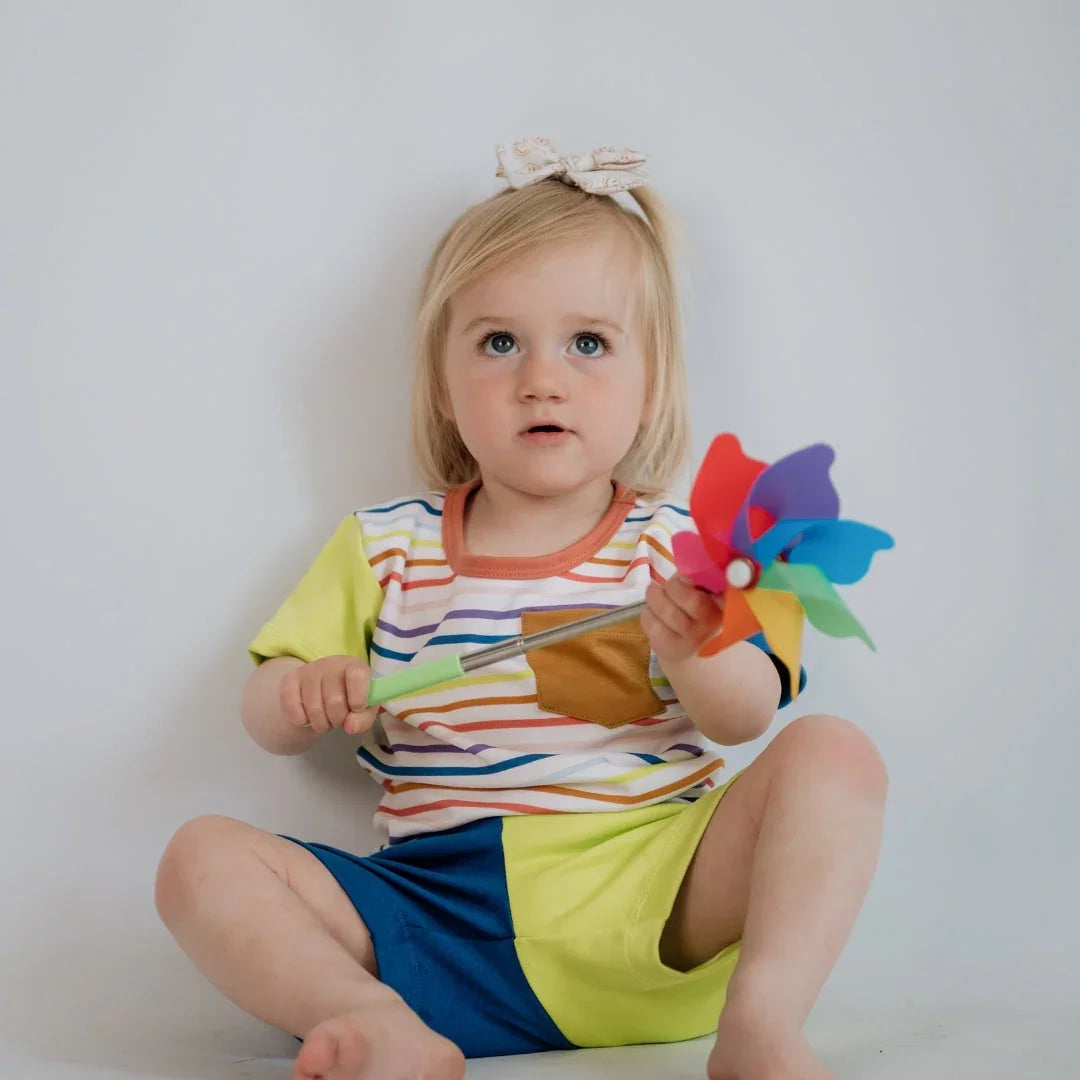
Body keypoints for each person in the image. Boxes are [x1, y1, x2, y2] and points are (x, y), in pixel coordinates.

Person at [155, 137, 888, 1080]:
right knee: (200, 857)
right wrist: (308, 690)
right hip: (439, 915)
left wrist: (703, 646)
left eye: (589, 343)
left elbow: (745, 719)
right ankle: (370, 1020)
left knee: (835, 752)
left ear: (652, 381)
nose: (542, 378)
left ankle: (765, 1026)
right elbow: (265, 714)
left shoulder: (686, 547)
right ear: (444, 384)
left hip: (657, 897)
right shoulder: (385, 543)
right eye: (500, 342)